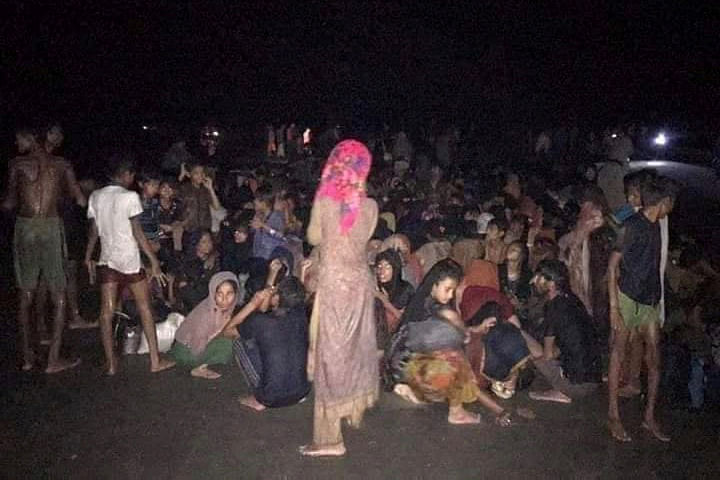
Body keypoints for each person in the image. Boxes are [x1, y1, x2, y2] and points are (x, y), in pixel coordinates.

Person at [302, 140, 379, 457]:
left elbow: (314, 238)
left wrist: (323, 194)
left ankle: (330, 439)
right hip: (359, 288)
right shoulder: (371, 206)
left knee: (329, 359)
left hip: (334, 289)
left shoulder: (325, 202)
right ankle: (352, 411)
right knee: (353, 352)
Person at [2, 126, 86, 373]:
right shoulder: (61, 165)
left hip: (26, 227)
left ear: (31, 138)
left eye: (19, 138)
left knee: (25, 292)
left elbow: (9, 203)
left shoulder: (17, 164)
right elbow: (80, 199)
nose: (17, 142)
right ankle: (53, 359)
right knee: (58, 292)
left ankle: (28, 356)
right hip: (49, 227)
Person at [390, 259, 514, 426]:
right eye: (447, 289)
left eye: (453, 290)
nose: (450, 295)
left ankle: (411, 388)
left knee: (454, 357)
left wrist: (475, 329)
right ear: (434, 285)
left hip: (400, 366)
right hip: (408, 368)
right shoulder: (442, 312)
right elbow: (461, 337)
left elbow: (456, 333)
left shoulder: (424, 301)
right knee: (456, 363)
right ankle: (457, 411)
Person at [84, 154, 175, 375]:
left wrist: (87, 255)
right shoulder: (130, 197)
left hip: (107, 259)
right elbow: (138, 233)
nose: (132, 178)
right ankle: (155, 361)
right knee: (145, 307)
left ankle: (111, 364)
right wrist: (154, 262)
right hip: (130, 261)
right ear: (125, 174)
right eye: (131, 174)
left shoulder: (96, 196)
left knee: (106, 312)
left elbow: (94, 229)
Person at [607, 176, 676, 442]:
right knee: (618, 353)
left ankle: (649, 416)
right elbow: (612, 267)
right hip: (626, 298)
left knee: (655, 360)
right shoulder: (631, 226)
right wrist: (614, 307)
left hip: (650, 300)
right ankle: (613, 415)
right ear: (665, 202)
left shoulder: (657, 225)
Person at [511, 260, 601, 404]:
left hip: (578, 387)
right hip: (593, 379)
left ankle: (562, 390)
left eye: (539, 277)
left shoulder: (555, 308)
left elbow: (547, 355)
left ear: (551, 283)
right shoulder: (572, 299)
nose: (533, 281)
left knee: (532, 350)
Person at [232, 277, 312, 411]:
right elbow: (297, 296)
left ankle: (259, 398)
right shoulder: (301, 316)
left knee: (238, 342)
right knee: (275, 344)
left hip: (270, 398)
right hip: (302, 392)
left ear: (277, 298)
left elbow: (228, 331)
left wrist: (252, 304)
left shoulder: (261, 321)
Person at [170, 271, 241, 379]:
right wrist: (220, 332)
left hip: (191, 346)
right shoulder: (207, 313)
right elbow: (197, 347)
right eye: (219, 294)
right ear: (213, 293)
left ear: (236, 294)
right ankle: (199, 368)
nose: (224, 299)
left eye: (229, 293)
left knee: (231, 335)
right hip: (186, 351)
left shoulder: (223, 309)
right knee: (227, 343)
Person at [374, 249, 414, 336]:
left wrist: (385, 303)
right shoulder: (376, 288)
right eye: (379, 267)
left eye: (387, 267)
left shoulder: (405, 290)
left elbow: (407, 322)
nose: (382, 272)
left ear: (395, 269)